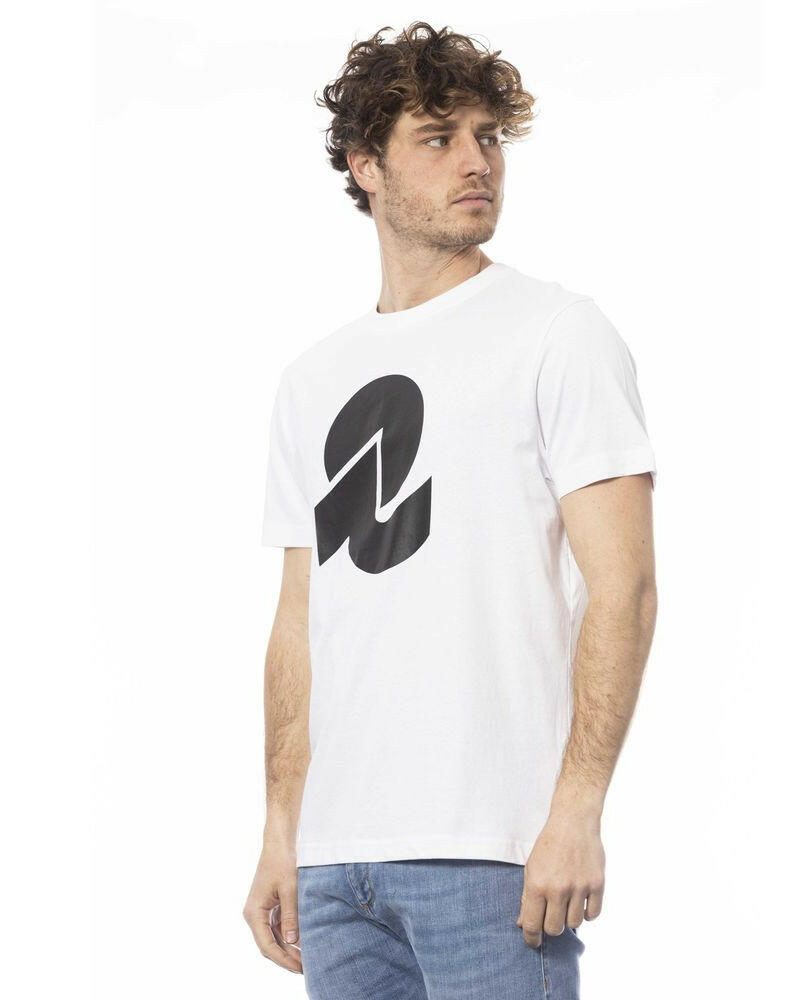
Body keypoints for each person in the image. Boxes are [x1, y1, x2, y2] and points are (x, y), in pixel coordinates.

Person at [243, 21, 657, 1000]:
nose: (478, 161)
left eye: (489, 136)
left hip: (490, 852)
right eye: (439, 137)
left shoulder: (557, 334)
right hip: (336, 868)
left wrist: (576, 810)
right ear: (366, 166)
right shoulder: (313, 379)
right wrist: (282, 832)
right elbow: (300, 623)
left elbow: (625, 589)